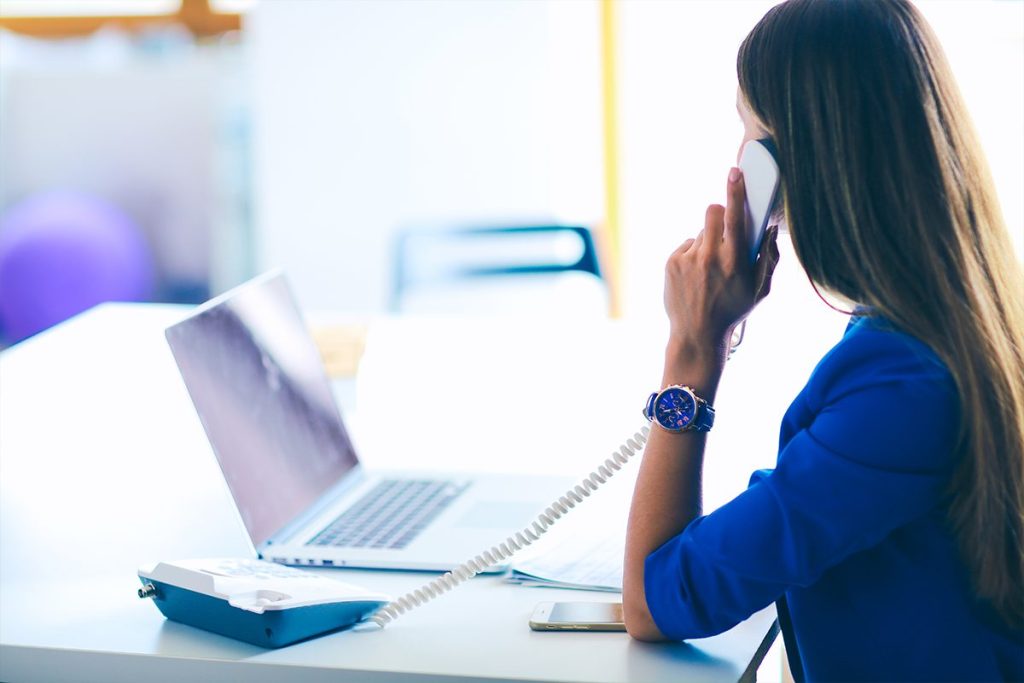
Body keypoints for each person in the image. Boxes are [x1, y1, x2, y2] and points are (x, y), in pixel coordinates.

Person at [620, 1, 1024, 680]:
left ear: (798, 162)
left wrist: (692, 351)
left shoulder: (901, 388)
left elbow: (657, 601)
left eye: (750, 136)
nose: (737, 168)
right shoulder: (946, 330)